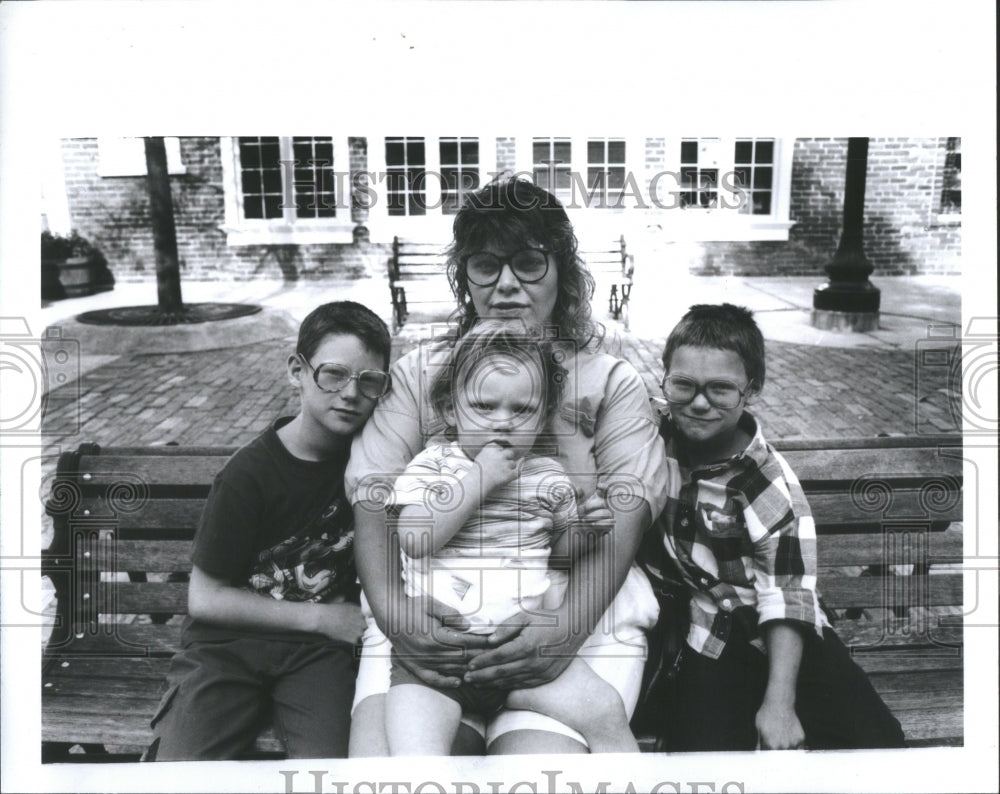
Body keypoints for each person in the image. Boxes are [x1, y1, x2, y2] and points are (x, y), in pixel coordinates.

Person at [346, 177, 669, 756]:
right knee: (386, 773)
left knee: (542, 776)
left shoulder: (609, 381)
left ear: (562, 270)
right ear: (463, 275)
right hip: (426, 610)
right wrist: (399, 621)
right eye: (485, 266)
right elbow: (373, 494)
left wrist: (562, 632)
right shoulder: (425, 374)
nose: (506, 285)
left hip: (569, 612)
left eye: (528, 264)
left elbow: (629, 512)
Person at [645, 302, 905, 751]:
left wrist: (780, 703)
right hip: (709, 635)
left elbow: (787, 594)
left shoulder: (765, 481)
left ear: (752, 389)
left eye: (721, 390)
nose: (699, 403)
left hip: (785, 637)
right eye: (683, 385)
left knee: (877, 744)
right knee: (699, 755)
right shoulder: (655, 436)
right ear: (665, 378)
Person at [147, 301, 391, 760]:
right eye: (334, 374)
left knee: (333, 769)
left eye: (370, 381)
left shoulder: (371, 464)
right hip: (227, 647)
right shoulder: (249, 474)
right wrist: (322, 617)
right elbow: (205, 598)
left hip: (316, 655)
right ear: (297, 370)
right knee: (182, 772)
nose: (351, 393)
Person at [385, 322, 639, 755]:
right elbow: (414, 538)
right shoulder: (433, 466)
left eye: (522, 410)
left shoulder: (546, 476)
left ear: (542, 418)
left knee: (606, 710)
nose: (503, 422)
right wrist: (477, 479)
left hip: (522, 661)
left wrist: (584, 531)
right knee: (416, 755)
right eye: (484, 406)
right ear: (450, 409)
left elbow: (557, 558)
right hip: (437, 666)